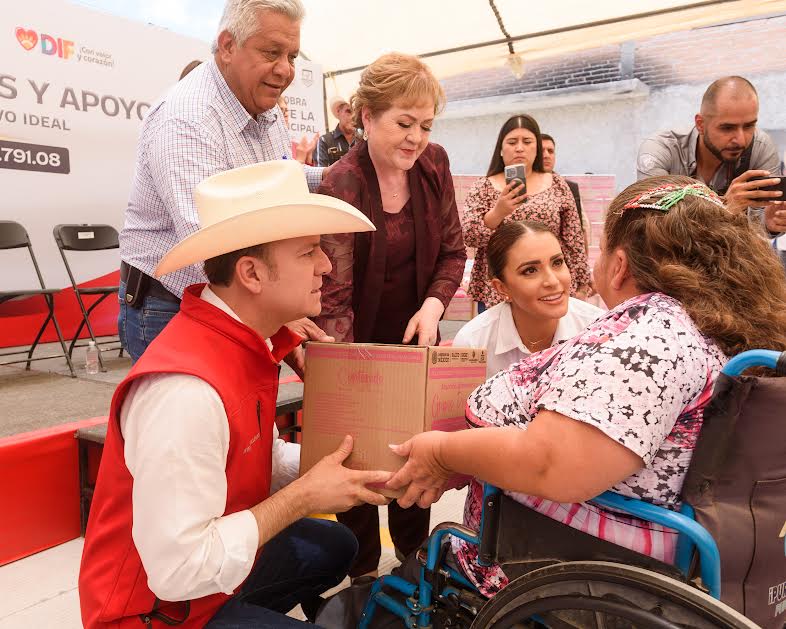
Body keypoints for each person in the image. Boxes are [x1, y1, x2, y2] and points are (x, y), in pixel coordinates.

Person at [387, 175, 786, 599]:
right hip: (652, 546)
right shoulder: (722, 323)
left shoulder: (652, 340)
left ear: (619, 264)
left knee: (391, 593)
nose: (553, 280)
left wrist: (441, 452)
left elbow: (550, 464)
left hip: (558, 560)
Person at [79, 161, 394, 628]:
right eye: (309, 252)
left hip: (197, 588)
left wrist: (359, 468)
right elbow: (178, 571)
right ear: (251, 273)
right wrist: (305, 495)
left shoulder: (243, 343)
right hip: (153, 613)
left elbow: (259, 459)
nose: (326, 266)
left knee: (334, 545)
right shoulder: (185, 391)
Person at [314, 52, 466, 580]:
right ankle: (360, 574)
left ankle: (412, 565)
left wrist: (433, 306)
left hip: (417, 337)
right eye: (404, 123)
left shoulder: (435, 164)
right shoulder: (342, 182)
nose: (416, 138)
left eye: (425, 125)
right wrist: (349, 377)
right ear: (367, 116)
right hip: (352, 341)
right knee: (356, 462)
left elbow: (453, 252)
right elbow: (334, 297)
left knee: (415, 463)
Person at [118, 0, 329, 364]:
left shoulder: (261, 104)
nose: (285, 70)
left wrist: (332, 178)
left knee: (241, 397)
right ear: (228, 46)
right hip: (169, 305)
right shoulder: (186, 120)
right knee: (196, 399)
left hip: (239, 292)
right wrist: (280, 314)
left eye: (292, 56)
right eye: (271, 52)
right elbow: (210, 245)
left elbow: (279, 177)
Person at [463, 115, 591, 312]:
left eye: (527, 141)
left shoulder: (556, 183)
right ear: (500, 149)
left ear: (537, 147)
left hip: (549, 284)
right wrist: (498, 212)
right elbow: (470, 236)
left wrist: (582, 284)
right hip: (499, 289)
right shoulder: (483, 187)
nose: (519, 148)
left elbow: (573, 239)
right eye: (512, 142)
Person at [637, 76, 786, 234]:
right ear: (700, 124)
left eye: (749, 126)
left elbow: (759, 227)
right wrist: (724, 210)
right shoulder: (660, 150)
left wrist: (769, 224)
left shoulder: (761, 146)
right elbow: (653, 229)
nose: (741, 140)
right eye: (727, 128)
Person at [453, 221, 601, 377]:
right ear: (501, 287)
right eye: (530, 270)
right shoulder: (473, 343)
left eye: (557, 262)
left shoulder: (599, 329)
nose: (552, 281)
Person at [316, 96, 358, 167]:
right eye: (349, 111)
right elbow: (321, 171)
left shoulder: (363, 141)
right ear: (338, 112)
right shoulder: (324, 141)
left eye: (356, 113)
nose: (353, 117)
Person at [278, 94, 318, 164]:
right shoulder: (268, 144)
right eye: (281, 111)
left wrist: (308, 156)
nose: (286, 114)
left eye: (286, 110)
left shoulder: (296, 146)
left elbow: (305, 170)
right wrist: (300, 160)